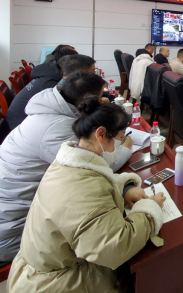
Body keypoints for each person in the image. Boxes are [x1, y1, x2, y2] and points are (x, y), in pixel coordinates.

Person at [7, 97, 165, 293]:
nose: (123, 144)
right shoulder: (86, 187)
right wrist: (149, 211)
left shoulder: (67, 161)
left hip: (43, 266)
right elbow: (116, 246)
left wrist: (124, 189)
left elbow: (94, 181)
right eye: (121, 138)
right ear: (101, 134)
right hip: (54, 283)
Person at [0, 72, 134, 263]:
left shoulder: (48, 109)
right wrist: (125, 146)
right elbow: (101, 163)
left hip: (20, 207)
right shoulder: (58, 130)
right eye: (99, 98)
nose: (102, 101)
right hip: (16, 230)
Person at [5, 54, 96, 131]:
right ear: (80, 73)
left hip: (23, 124)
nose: (95, 75)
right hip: (18, 125)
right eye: (92, 72)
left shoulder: (51, 78)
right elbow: (72, 114)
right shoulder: (51, 86)